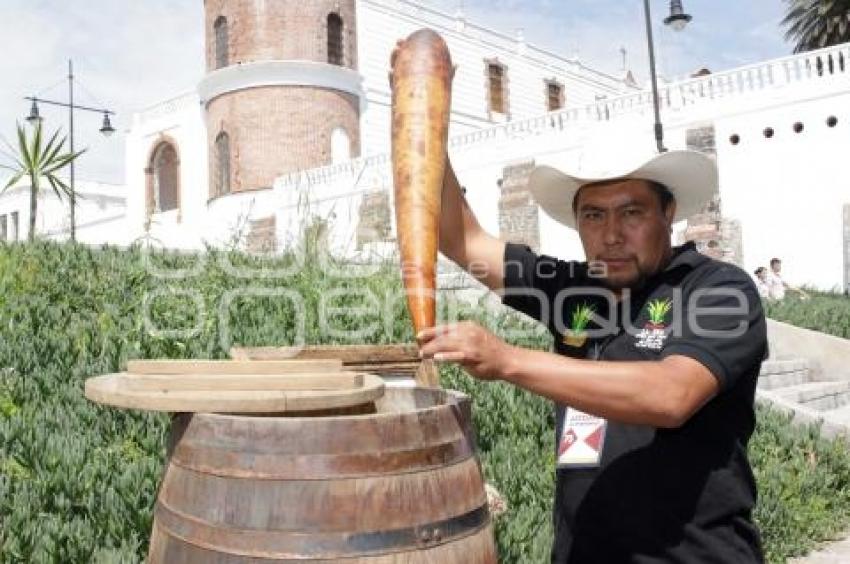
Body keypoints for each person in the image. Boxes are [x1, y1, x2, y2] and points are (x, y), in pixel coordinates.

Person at [417, 147, 767, 563]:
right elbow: (461, 238)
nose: (612, 235)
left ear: (667, 212)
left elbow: (671, 394)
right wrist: (426, 117)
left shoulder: (717, 288)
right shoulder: (570, 289)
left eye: (632, 212)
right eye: (594, 215)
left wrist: (507, 359)